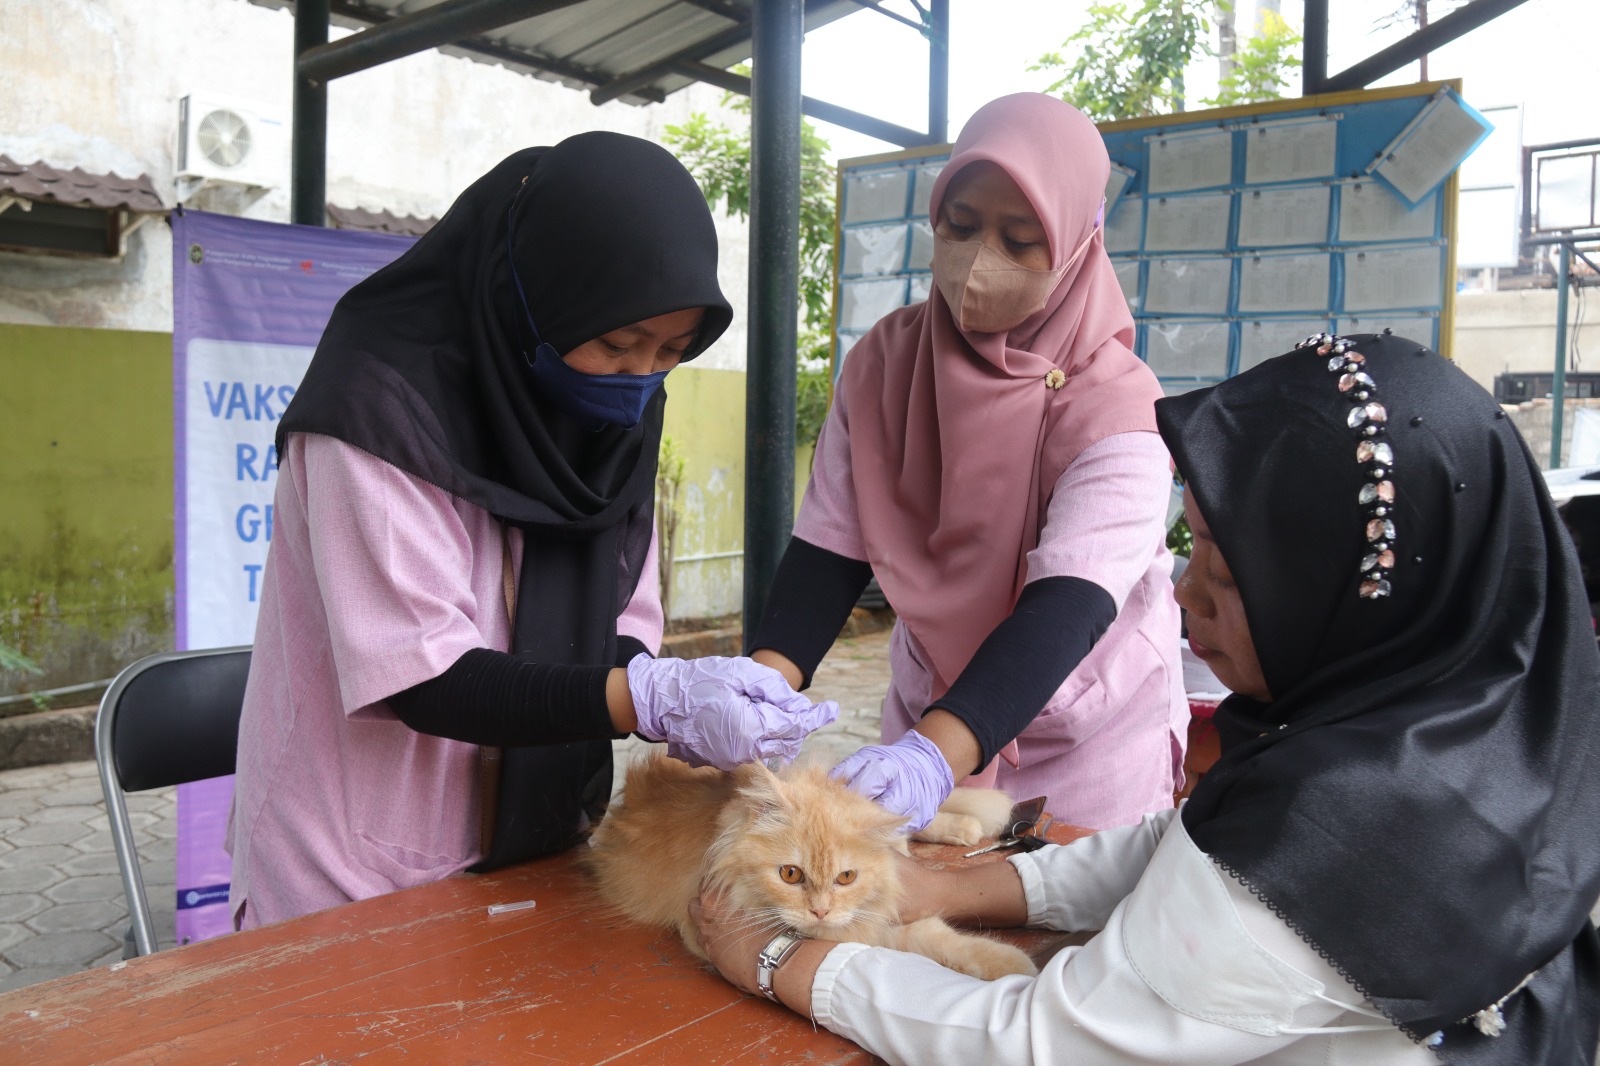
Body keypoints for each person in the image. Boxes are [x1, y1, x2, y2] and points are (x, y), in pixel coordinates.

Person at [691, 332, 1600, 1064]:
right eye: (1192, 546)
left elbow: (1042, 1041)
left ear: (1358, 595)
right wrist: (949, 881)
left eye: (1236, 576)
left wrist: (775, 959)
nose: (1187, 595)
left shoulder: (1364, 829)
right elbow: (1200, 848)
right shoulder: (1440, 734)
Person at [227, 133, 837, 929]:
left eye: (670, 352)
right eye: (617, 343)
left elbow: (617, 632)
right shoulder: (375, 412)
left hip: (538, 842)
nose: (639, 376)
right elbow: (425, 676)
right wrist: (647, 700)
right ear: (535, 295)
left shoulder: (616, 427)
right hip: (355, 862)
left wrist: (682, 690)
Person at [743, 93, 1187, 832]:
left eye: (1020, 239)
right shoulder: (887, 364)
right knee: (907, 926)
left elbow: (1068, 606)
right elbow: (831, 548)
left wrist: (929, 758)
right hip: (928, 716)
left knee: (1064, 923)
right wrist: (757, 689)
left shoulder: (1118, 406)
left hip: (1081, 731)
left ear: (1078, 240)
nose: (981, 261)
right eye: (962, 226)